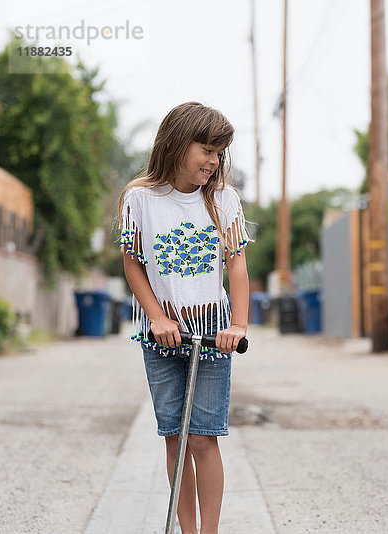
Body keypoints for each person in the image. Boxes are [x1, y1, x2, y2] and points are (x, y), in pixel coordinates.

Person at [118, 102, 249, 533]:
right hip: (161, 336)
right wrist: (157, 317)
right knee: (174, 435)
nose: (214, 161)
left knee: (202, 437)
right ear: (176, 143)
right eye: (207, 149)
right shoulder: (140, 199)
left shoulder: (224, 200)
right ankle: (187, 531)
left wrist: (238, 326)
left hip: (212, 332)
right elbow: (133, 262)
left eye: (219, 153)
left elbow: (236, 266)